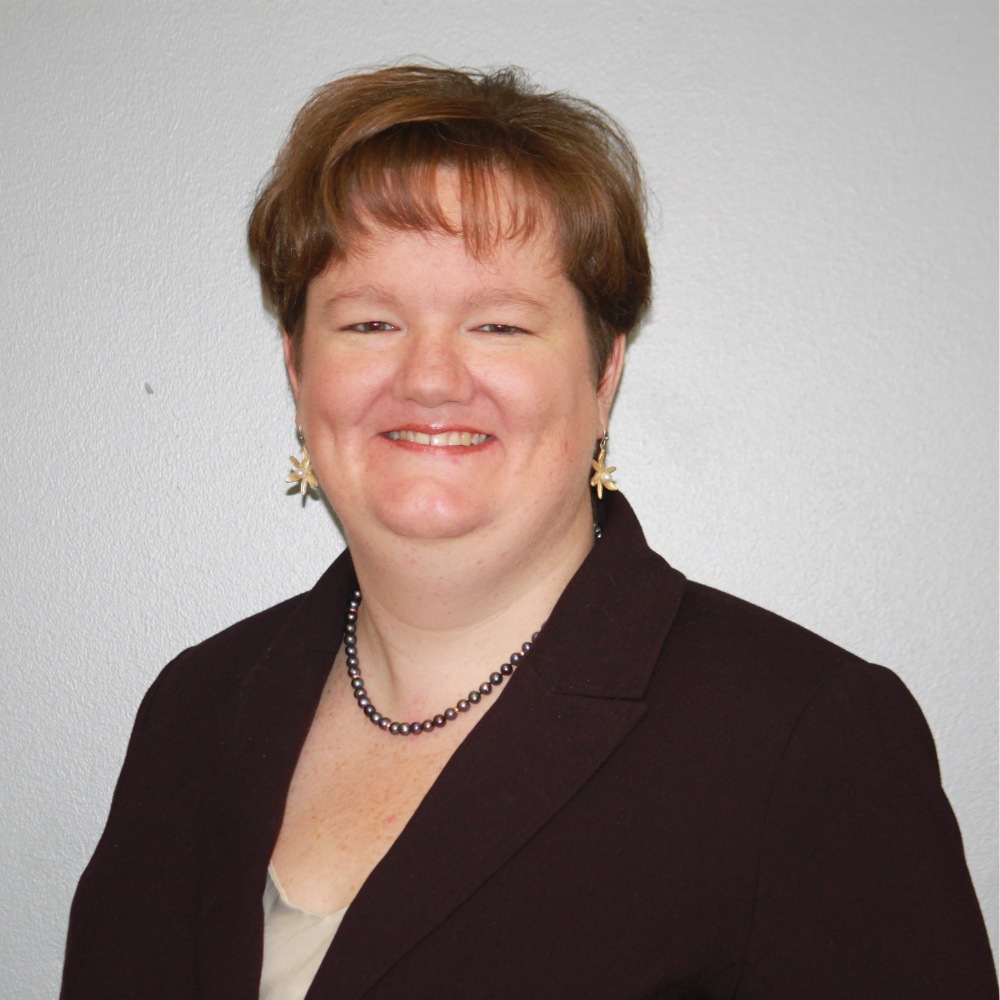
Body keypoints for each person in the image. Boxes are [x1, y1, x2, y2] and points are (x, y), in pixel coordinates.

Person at [61, 65, 995, 1000]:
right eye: (372, 321)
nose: (429, 379)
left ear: (602, 376)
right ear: (299, 371)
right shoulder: (196, 708)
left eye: (500, 326)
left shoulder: (807, 740)